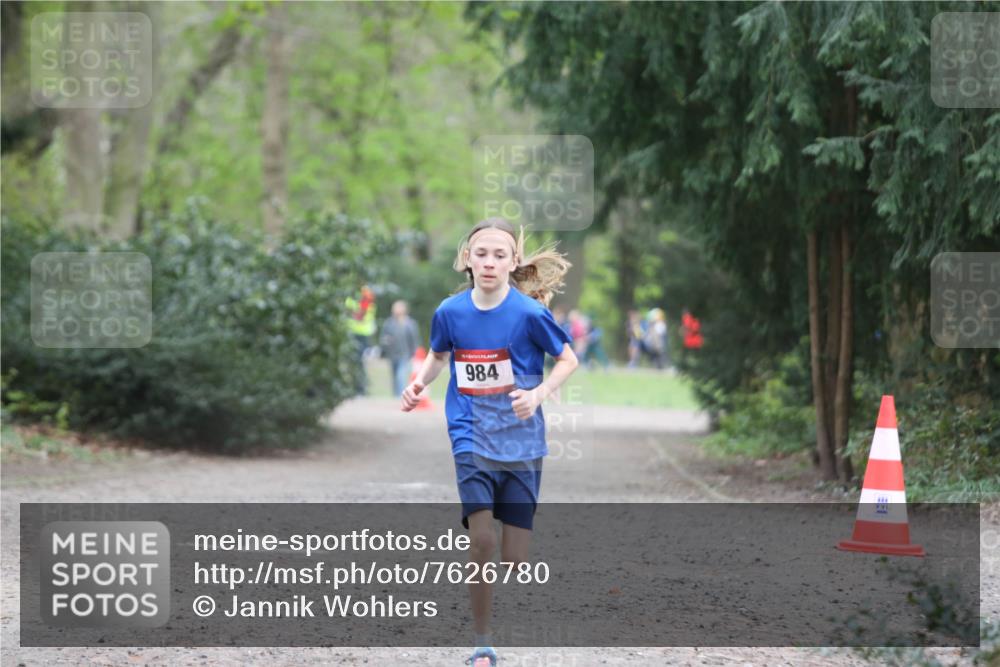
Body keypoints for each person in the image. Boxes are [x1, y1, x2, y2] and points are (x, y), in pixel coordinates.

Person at [400, 217, 579, 667]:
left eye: (500, 255)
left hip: (521, 443)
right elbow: (440, 355)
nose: (489, 262)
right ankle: (482, 644)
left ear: (513, 262)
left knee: (514, 558)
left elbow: (568, 358)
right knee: (481, 541)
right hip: (470, 433)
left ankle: (506, 546)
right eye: (481, 253)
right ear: (466, 258)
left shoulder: (530, 314)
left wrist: (537, 394)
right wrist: (418, 383)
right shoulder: (450, 312)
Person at [380, 300, 420, 397]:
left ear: (404, 310)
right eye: (394, 308)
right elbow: (383, 338)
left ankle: (400, 397)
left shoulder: (410, 324)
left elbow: (415, 340)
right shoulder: (388, 323)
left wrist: (415, 354)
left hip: (405, 356)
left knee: (400, 376)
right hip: (392, 355)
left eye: (398, 307)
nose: (395, 310)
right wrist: (386, 342)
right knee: (394, 377)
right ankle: (395, 397)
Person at [344, 285, 377, 395]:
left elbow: (359, 317)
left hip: (361, 336)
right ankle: (357, 388)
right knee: (355, 363)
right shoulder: (353, 301)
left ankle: (360, 389)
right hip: (355, 334)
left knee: (358, 363)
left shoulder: (366, 303)